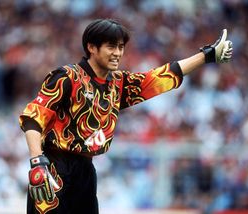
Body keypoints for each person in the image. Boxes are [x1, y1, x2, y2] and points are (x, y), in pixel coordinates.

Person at [18, 18, 232, 214]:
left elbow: (160, 77)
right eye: (111, 46)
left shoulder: (118, 84)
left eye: (121, 47)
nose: (118, 53)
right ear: (91, 47)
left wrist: (206, 56)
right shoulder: (67, 77)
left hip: (86, 171)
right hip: (53, 167)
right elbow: (33, 118)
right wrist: (38, 162)